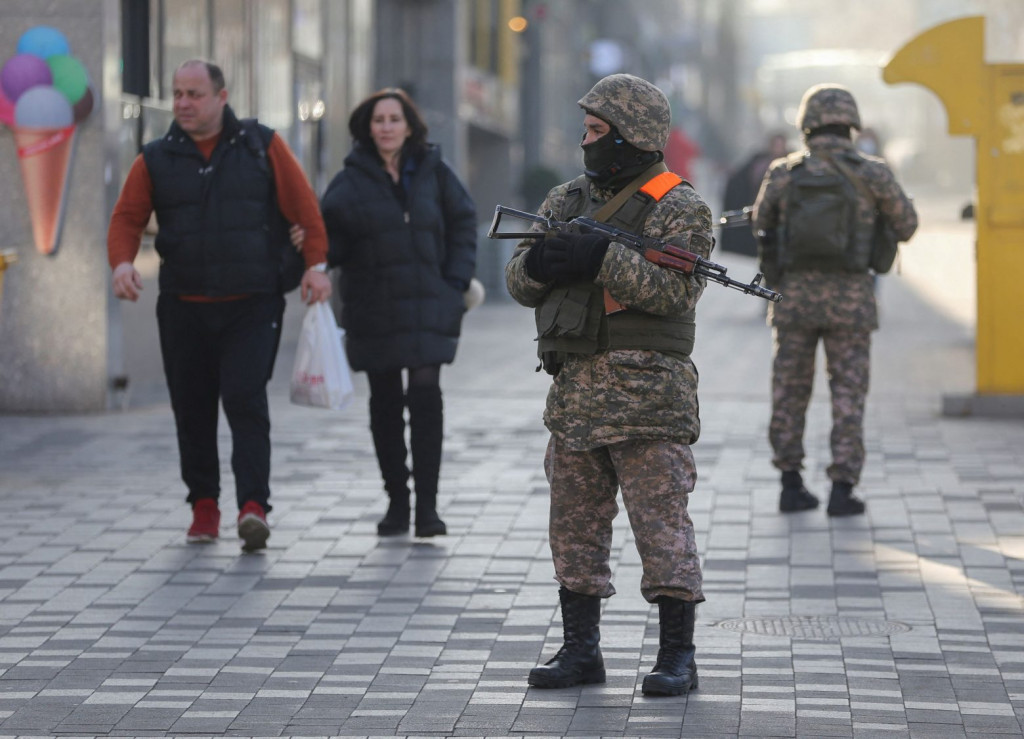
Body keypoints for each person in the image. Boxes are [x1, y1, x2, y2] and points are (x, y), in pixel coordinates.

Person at [505, 73, 711, 697]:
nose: (586, 142)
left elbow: (678, 290)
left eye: (598, 132)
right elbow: (518, 281)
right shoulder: (567, 199)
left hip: (650, 399)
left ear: (632, 136)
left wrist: (604, 259)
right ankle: (580, 651)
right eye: (587, 130)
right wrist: (541, 262)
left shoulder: (681, 206)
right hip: (574, 399)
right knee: (574, 529)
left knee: (661, 528)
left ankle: (677, 655)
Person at [107, 59, 332, 551]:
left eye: (194, 93)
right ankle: (203, 506)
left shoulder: (261, 145)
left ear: (221, 96)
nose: (183, 103)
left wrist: (316, 266)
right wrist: (123, 264)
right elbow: (126, 218)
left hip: (252, 303)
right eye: (177, 93)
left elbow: (305, 210)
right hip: (183, 304)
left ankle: (253, 506)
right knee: (192, 407)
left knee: (244, 400)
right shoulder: (154, 158)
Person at [752, 83, 917, 517]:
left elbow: (760, 223)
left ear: (807, 125)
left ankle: (791, 484)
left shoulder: (785, 172)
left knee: (789, 391)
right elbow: (907, 225)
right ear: (851, 124)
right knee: (847, 393)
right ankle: (842, 490)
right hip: (852, 302)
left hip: (794, 300)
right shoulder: (872, 172)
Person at [319, 88, 477, 538]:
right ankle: (397, 502)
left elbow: (464, 221)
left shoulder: (434, 171)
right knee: (385, 404)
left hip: (430, 303)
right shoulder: (349, 182)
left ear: (410, 125)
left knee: (426, 400)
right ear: (367, 129)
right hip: (374, 307)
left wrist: (456, 283)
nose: (386, 126)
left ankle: (428, 507)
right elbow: (330, 240)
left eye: (394, 118)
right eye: (378, 120)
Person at [719, 132, 788, 257]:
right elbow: (739, 181)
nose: (777, 147)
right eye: (775, 144)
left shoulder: (791, 164)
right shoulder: (759, 162)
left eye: (780, 144)